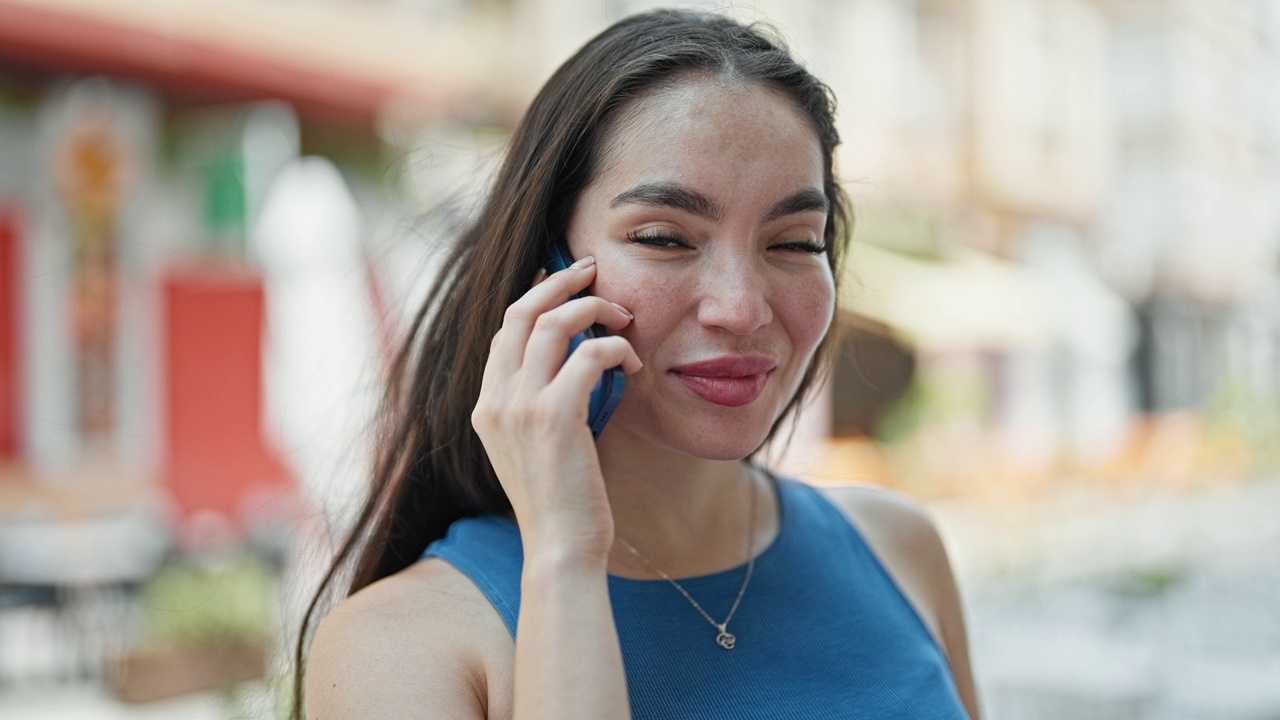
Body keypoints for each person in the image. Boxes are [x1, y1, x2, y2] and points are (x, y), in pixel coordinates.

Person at [296, 9, 980, 719]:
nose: (741, 309)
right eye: (664, 238)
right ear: (548, 271)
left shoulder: (900, 550)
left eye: (795, 243)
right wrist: (565, 558)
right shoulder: (401, 647)